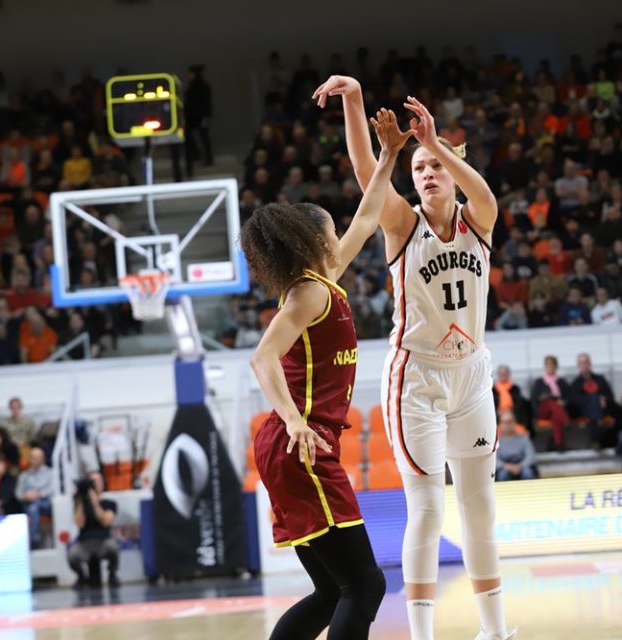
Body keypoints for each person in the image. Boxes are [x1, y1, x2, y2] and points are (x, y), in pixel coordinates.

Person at [317, 76, 512, 640]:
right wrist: (354, 100)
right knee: (427, 508)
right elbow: (364, 173)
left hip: (472, 375)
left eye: (436, 166)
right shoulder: (403, 224)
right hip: (416, 378)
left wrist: (439, 143)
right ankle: (423, 636)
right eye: (420, 167)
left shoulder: (479, 221)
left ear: (453, 169)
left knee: (480, 511)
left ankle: (495, 632)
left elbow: (489, 198)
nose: (427, 173)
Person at [241, 108, 406, 640]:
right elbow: (262, 358)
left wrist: (388, 159)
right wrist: (292, 420)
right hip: (302, 442)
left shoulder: (322, 280)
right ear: (314, 242)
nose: (343, 235)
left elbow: (367, 216)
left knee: (334, 589)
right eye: (332, 232)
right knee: (365, 585)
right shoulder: (309, 292)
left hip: (298, 445)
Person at [68, 472, 120, 587]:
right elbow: (79, 524)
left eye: (98, 481)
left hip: (103, 540)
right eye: (93, 482)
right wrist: (80, 499)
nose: (95, 485)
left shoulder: (109, 503)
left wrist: (95, 502)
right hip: (84, 542)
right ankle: (81, 576)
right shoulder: (80, 503)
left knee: (113, 547)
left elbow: (105, 521)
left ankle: (112, 573)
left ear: (102, 483)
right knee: (72, 555)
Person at [16, 446, 54, 548]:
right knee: (32, 507)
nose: (35, 460)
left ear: (43, 458)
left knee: (34, 507)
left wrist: (38, 494)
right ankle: (33, 539)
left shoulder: (51, 473)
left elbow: (52, 489)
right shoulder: (24, 475)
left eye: (38, 457)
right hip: (28, 503)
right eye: (33, 457)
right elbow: (18, 493)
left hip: (45, 503)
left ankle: (34, 540)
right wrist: (26, 496)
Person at [184, 65, 213, 177]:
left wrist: (206, 116)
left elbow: (206, 103)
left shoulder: (202, 87)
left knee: (204, 137)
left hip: (199, 116)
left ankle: (204, 157)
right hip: (194, 117)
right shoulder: (195, 86)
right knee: (198, 136)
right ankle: (198, 154)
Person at [495, 411, 535, 480]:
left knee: (528, 473)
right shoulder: (497, 441)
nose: (507, 425)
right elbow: (494, 460)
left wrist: (520, 466)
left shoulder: (523, 438)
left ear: (514, 422)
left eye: (510, 421)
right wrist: (506, 466)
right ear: (500, 424)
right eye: (504, 422)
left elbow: (530, 456)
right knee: (502, 475)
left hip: (522, 466)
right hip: (504, 467)